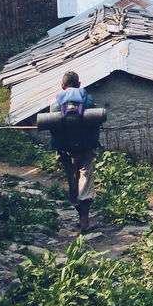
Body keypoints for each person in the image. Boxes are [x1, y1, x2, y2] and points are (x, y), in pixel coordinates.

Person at [50, 71, 98, 234]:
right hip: (86, 148)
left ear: (62, 86)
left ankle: (77, 206)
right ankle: (84, 219)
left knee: (72, 180)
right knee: (86, 179)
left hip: (65, 150)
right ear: (79, 84)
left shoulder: (55, 102)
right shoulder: (88, 100)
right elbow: (94, 125)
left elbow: (53, 129)